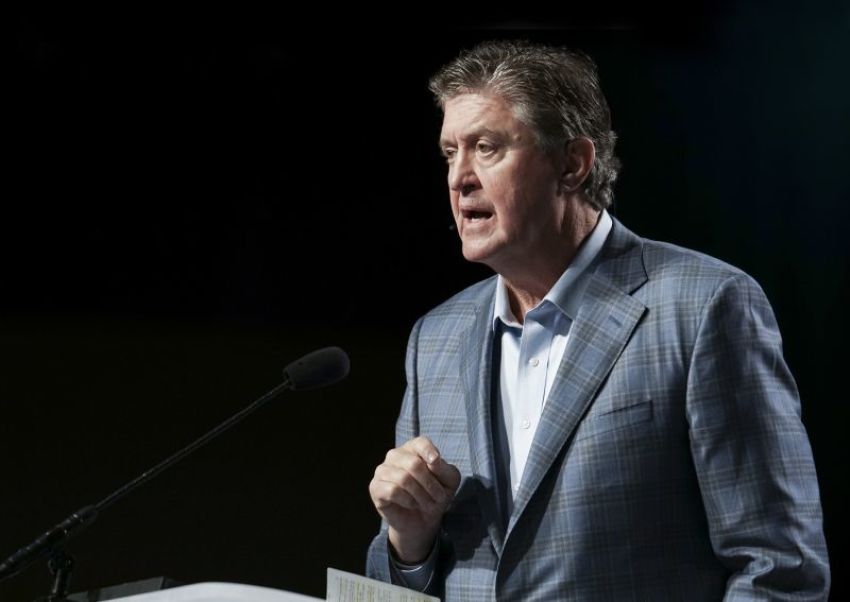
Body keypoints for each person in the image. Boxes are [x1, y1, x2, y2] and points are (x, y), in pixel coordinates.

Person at [366, 40, 830, 600]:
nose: (458, 177)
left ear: (572, 164)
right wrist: (408, 543)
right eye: (448, 153)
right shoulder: (434, 339)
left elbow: (779, 568)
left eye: (486, 148)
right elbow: (408, 581)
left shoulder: (704, 306)